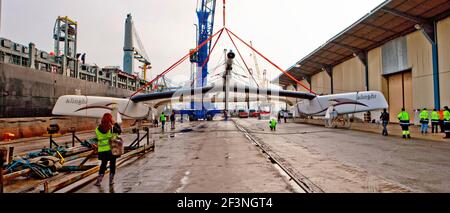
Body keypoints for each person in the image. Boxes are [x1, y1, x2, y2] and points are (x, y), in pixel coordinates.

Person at [94, 113, 119, 186]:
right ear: (110, 119)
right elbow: (119, 131)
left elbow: (97, 139)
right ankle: (111, 181)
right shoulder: (112, 128)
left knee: (103, 165)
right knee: (112, 165)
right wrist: (115, 123)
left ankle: (99, 181)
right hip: (112, 149)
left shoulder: (97, 129)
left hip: (102, 150)